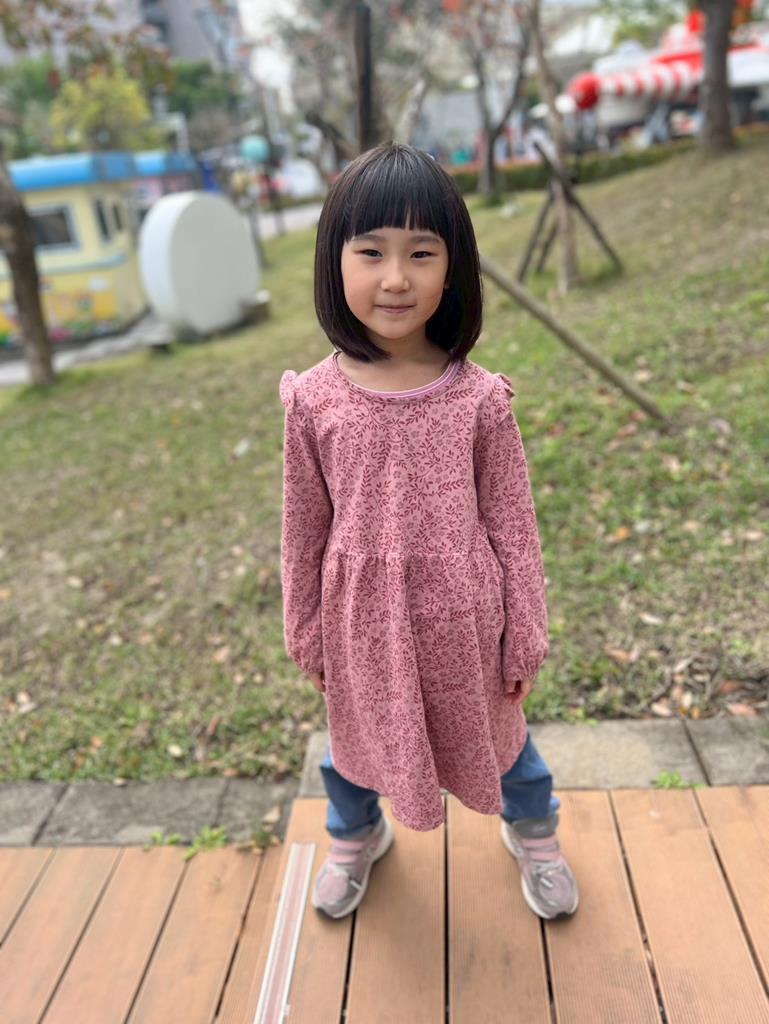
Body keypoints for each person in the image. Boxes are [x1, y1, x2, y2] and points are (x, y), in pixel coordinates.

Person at [279, 142, 578, 922]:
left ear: (452, 268)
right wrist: (305, 629)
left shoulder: (479, 399)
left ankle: (535, 832)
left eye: (420, 252)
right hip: (360, 623)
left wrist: (524, 632)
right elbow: (303, 526)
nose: (395, 277)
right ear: (334, 261)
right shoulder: (312, 401)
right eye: (370, 252)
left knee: (504, 742)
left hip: (466, 623)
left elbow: (513, 524)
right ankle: (353, 836)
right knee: (353, 747)